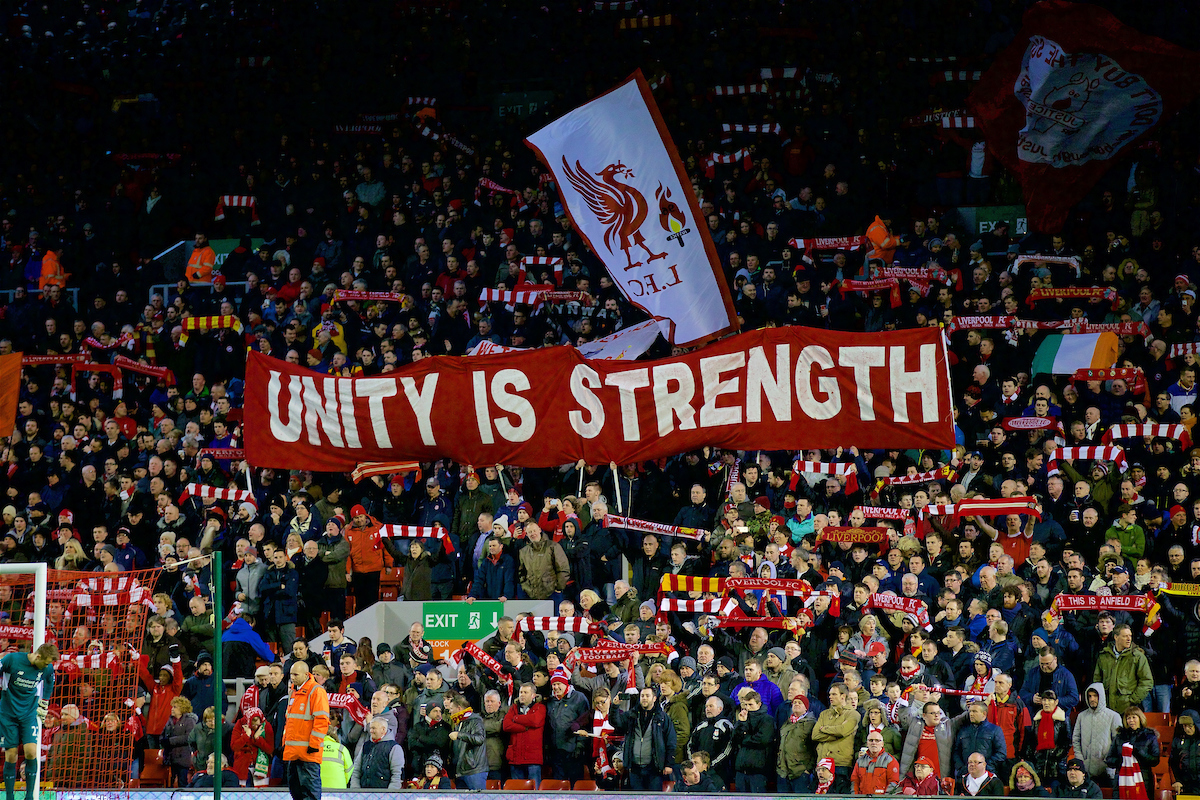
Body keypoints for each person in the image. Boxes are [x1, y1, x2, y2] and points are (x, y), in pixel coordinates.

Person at [0, 642, 57, 800]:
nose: (46, 666)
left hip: (29, 713)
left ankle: (30, 796)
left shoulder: (46, 668)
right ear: (38, 656)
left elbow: (50, 682)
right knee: (11, 755)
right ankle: (10, 796)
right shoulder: (12, 659)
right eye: (45, 662)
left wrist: (44, 702)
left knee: (31, 752)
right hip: (8, 713)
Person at [282, 662, 330, 800]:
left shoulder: (316, 691)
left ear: (305, 674)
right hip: (294, 753)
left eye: (296, 674)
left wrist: (314, 745)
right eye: (291, 674)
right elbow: (290, 722)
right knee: (296, 792)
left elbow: (321, 721)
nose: (292, 677)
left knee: (310, 793)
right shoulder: (294, 692)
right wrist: (285, 744)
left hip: (308, 754)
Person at [1072, 683, 1121, 787]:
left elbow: (1118, 742)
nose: (1092, 699)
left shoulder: (1113, 716)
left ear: (1101, 696)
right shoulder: (1081, 716)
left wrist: (1109, 761)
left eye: (1095, 696)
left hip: (1107, 769)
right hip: (1086, 769)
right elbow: (1075, 739)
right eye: (1089, 696)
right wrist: (1081, 760)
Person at [1105, 706, 1159, 794]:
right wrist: (1122, 761)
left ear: (1140, 718)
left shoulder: (1150, 736)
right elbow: (1109, 759)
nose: (1131, 720)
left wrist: (1138, 753)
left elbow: (1155, 760)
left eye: (1134, 717)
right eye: (1128, 718)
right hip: (1121, 779)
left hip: (1143, 779)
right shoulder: (1119, 737)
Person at [503, 682, 546, 784]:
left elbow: (535, 721)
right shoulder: (513, 708)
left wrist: (516, 718)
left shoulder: (540, 708)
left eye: (525, 692)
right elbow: (506, 725)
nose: (522, 694)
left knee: (534, 792)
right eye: (521, 692)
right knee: (518, 791)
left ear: (533, 695)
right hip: (515, 758)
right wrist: (525, 727)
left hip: (533, 759)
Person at [445, 691, 487, 789]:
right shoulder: (459, 722)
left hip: (474, 771)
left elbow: (479, 739)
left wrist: (460, 735)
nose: (450, 711)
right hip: (460, 771)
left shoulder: (476, 720)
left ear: (459, 708)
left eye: (451, 708)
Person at [349, 717, 404, 789]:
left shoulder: (394, 748)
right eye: (370, 728)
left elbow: (397, 775)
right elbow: (356, 770)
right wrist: (355, 789)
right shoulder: (366, 745)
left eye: (373, 728)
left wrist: (390, 795)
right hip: (363, 794)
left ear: (383, 729)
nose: (371, 731)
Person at [852, 728, 901, 795]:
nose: (874, 743)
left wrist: (884, 799)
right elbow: (855, 782)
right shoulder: (860, 761)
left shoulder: (890, 761)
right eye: (871, 740)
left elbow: (893, 783)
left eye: (877, 740)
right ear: (867, 743)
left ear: (882, 744)